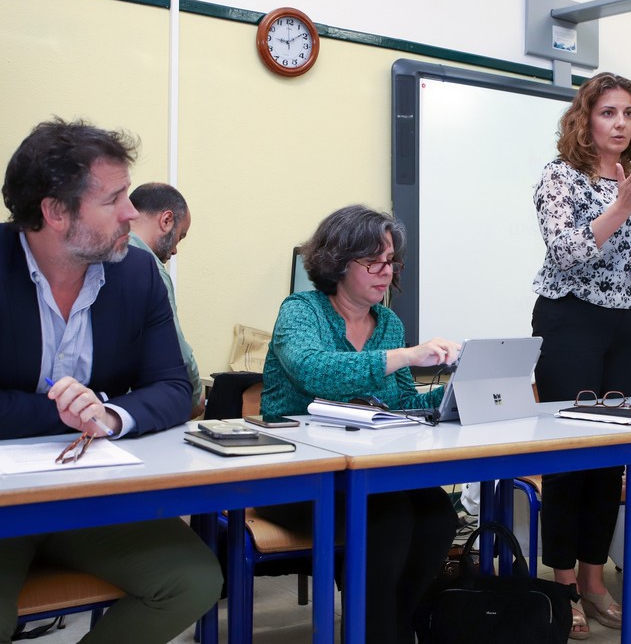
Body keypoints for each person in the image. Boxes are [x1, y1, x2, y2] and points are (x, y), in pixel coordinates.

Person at [0, 118, 222, 643]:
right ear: (55, 212)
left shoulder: (137, 273)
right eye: (114, 199)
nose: (131, 212)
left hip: (92, 497)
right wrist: (61, 411)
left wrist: (110, 415)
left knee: (192, 580)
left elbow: (173, 387)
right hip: (5, 500)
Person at [259, 204, 459, 644]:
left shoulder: (387, 322)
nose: (385, 272)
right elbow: (315, 372)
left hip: (365, 471)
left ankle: (388, 629)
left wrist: (453, 396)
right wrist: (406, 355)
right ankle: (381, 632)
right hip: (297, 474)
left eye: (391, 262)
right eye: (373, 261)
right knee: (387, 519)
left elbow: (403, 401)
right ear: (337, 262)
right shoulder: (301, 310)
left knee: (438, 515)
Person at [530, 72, 631, 639]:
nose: (620, 124)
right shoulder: (559, 176)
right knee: (571, 456)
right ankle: (562, 585)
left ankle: (593, 577)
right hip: (570, 319)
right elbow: (565, 254)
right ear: (585, 118)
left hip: (626, 320)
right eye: (609, 113)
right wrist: (620, 204)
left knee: (610, 457)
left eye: (629, 115)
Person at [128, 182, 204, 418]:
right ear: (166, 220)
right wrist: (195, 394)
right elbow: (175, 348)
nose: (175, 251)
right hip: (136, 405)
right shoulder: (150, 270)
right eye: (180, 237)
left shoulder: (99, 256)